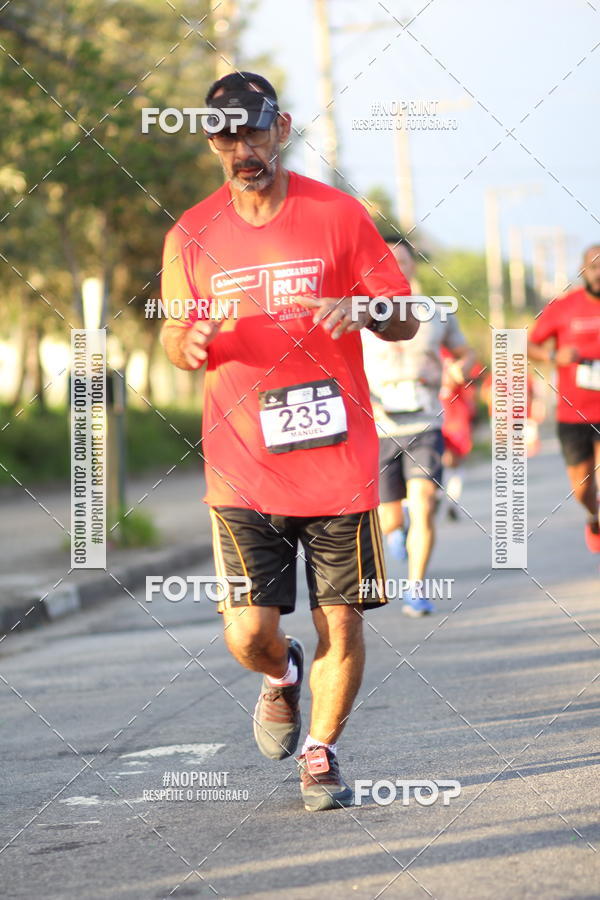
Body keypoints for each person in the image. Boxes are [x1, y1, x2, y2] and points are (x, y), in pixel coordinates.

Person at [159, 72, 418, 811]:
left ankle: (321, 751)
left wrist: (362, 305)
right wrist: (190, 340)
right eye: (226, 135)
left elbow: (404, 317)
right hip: (243, 468)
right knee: (247, 634)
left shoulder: (338, 216)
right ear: (211, 142)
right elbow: (175, 338)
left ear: (282, 127)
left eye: (254, 130)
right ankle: (281, 676)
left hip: (338, 464)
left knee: (341, 616)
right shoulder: (191, 233)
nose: (243, 147)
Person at [362, 238, 475, 615]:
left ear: (412, 266)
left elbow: (465, 352)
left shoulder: (434, 312)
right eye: (385, 261)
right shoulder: (359, 312)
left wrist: (461, 368)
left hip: (425, 421)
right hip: (378, 428)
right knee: (390, 518)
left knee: (424, 504)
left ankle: (415, 587)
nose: (394, 266)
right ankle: (397, 533)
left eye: (401, 260)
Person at [528, 245, 600, 553]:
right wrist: (555, 355)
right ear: (583, 272)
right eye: (594, 267)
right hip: (573, 414)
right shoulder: (562, 308)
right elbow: (528, 346)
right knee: (582, 489)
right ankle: (593, 515)